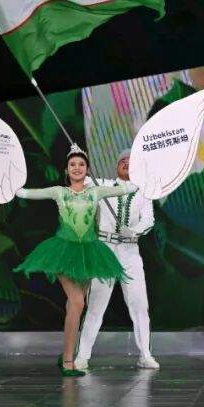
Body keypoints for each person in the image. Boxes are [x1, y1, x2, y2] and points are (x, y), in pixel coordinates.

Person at [14, 144, 134, 377]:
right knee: (77, 302)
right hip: (64, 251)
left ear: (87, 170)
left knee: (75, 305)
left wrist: (148, 178)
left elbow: (127, 188)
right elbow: (27, 193)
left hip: (88, 253)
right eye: (72, 164)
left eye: (81, 164)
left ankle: (66, 353)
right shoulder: (59, 191)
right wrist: (11, 188)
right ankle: (69, 361)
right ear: (66, 170)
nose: (77, 168)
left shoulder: (95, 192)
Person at [75, 149, 159, 371]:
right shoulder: (102, 185)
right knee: (96, 304)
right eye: (122, 161)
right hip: (106, 248)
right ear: (116, 167)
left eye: (130, 161)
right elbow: (79, 178)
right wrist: (79, 158)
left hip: (130, 250)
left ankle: (145, 354)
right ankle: (82, 356)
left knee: (139, 303)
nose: (126, 163)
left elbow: (149, 220)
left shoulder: (143, 192)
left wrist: (133, 231)